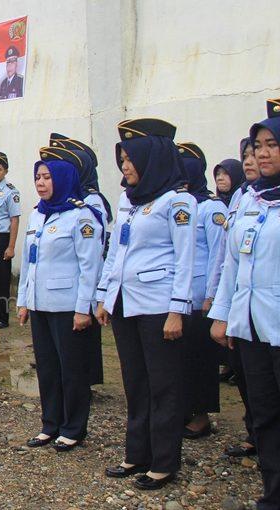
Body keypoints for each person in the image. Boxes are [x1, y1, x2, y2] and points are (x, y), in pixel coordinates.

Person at [96, 119, 195, 490]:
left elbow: (186, 260)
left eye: (131, 160)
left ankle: (164, 462)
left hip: (158, 307)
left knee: (163, 386)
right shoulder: (128, 199)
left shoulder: (178, 201)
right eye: (121, 160)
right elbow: (116, 251)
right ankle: (137, 453)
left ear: (151, 159)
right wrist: (106, 296)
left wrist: (176, 310)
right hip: (125, 304)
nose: (125, 168)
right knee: (135, 383)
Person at [210, 99, 280, 509]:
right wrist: (222, 317)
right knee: (265, 415)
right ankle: (272, 494)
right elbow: (232, 266)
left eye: (272, 144)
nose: (263, 153)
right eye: (257, 145)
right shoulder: (250, 199)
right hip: (251, 328)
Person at [17, 147, 104, 451]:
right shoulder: (38, 213)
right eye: (37, 177)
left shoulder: (81, 216)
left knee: (72, 370)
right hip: (41, 304)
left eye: (47, 177)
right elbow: (29, 261)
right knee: (48, 367)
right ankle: (50, 424)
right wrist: (24, 300)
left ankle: (74, 427)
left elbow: (90, 266)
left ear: (64, 178)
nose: (40, 183)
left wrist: (84, 309)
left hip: (69, 306)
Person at [174, 142, 228, 440]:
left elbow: (219, 255)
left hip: (201, 299)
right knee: (180, 359)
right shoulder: (177, 202)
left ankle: (202, 415)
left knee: (200, 360)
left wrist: (212, 295)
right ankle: (183, 408)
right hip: (178, 297)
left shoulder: (212, 207)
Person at [49, 134, 112, 385]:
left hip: (86, 273)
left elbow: (99, 243)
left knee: (84, 331)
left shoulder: (91, 199)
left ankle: (87, 376)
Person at [217, 137, 260, 460]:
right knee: (250, 381)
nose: (251, 160)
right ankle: (255, 433)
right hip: (243, 309)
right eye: (247, 154)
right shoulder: (244, 198)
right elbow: (230, 259)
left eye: (256, 153)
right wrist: (222, 312)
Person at [0, 150, 21, 329]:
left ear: (5, 171)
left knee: (1, 278)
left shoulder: (10, 192)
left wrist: (11, 246)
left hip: (2, 238)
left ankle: (2, 316)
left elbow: (14, 220)